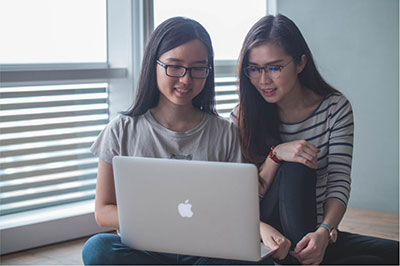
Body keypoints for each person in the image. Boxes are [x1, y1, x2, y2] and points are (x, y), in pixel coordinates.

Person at [82, 16, 284, 265]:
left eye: (198, 68)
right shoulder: (121, 130)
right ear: (153, 64)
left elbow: (233, 208)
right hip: (146, 250)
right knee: (97, 249)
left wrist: (259, 228)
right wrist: (167, 216)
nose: (186, 79)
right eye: (174, 66)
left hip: (207, 250)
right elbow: (104, 212)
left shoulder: (225, 132)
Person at [232, 14, 399, 265]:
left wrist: (324, 231)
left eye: (274, 67)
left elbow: (339, 181)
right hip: (265, 232)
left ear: (300, 63)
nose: (263, 80)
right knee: (295, 164)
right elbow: (239, 197)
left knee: (390, 255)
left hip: (312, 227)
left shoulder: (335, 109)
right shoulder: (242, 115)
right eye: (254, 69)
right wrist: (276, 155)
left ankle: (308, 254)